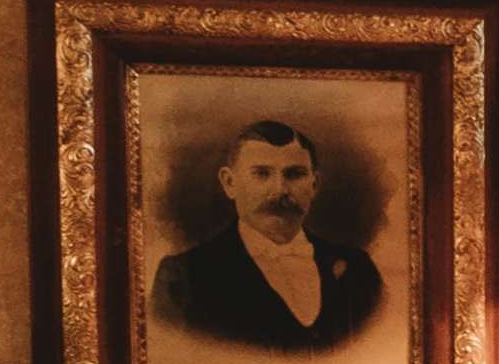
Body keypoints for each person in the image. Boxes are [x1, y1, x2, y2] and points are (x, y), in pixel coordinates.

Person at [150, 120, 383, 352]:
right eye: (261, 173)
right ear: (229, 183)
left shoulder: (357, 269)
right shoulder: (183, 276)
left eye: (295, 174)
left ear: (314, 185)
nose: (280, 189)